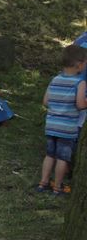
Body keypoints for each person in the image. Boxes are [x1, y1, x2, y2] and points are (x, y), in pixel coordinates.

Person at [35, 44, 86, 196]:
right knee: (62, 158)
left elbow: (45, 101)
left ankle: (43, 183)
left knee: (50, 155)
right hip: (67, 128)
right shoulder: (80, 83)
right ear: (79, 64)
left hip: (51, 126)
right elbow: (80, 104)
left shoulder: (55, 79)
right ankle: (57, 187)